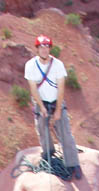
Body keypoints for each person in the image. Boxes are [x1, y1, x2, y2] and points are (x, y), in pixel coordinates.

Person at [24, 34, 82, 180]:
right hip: (40, 102)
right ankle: (48, 153)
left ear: (50, 48)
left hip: (56, 101)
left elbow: (61, 88)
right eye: (41, 47)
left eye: (46, 46)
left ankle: (73, 163)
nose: (44, 49)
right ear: (37, 49)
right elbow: (33, 88)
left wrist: (57, 111)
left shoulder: (58, 65)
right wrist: (41, 107)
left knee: (65, 133)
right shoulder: (30, 65)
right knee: (42, 130)